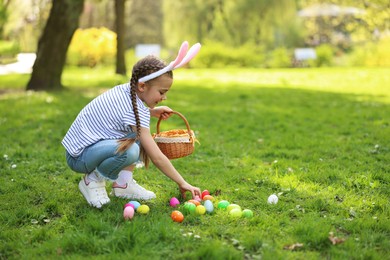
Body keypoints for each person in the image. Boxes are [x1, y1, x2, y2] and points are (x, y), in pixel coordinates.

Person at [62, 42, 201, 208]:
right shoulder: (135, 110)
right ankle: (92, 180)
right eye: (162, 92)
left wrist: (151, 111)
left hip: (84, 150)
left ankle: (123, 184)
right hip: (80, 158)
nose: (164, 97)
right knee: (131, 150)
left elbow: (122, 116)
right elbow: (156, 156)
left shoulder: (127, 91)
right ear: (142, 86)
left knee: (133, 138)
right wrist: (182, 182)